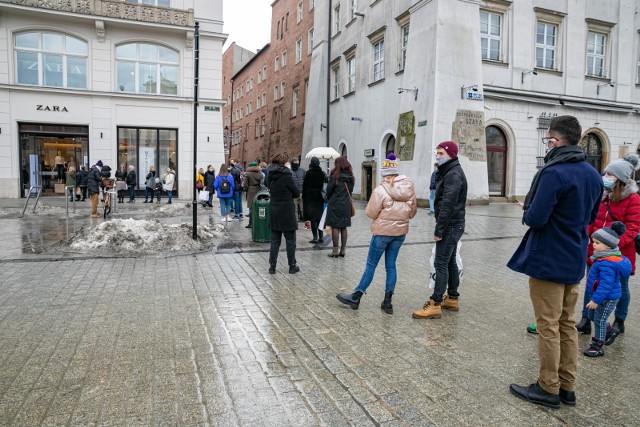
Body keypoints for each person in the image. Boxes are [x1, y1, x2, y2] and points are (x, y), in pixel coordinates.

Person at [507, 115, 603, 409]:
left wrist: (529, 209)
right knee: (566, 325)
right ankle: (567, 386)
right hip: (574, 257)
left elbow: (536, 218)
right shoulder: (591, 174)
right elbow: (590, 218)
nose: (547, 145)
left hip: (548, 258)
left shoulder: (554, 172)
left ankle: (548, 387)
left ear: (556, 140)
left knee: (547, 325)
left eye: (548, 139)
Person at [336, 153, 417, 314]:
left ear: (384, 172)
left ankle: (356, 296)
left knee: (371, 265)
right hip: (399, 233)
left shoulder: (380, 190)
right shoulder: (409, 187)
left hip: (382, 233)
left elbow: (371, 213)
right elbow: (412, 212)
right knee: (391, 266)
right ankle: (388, 302)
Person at [576, 155, 640, 345]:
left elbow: (633, 227)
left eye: (610, 174)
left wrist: (612, 244)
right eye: (606, 172)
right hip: (595, 250)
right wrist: (586, 236)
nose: (605, 176)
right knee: (591, 283)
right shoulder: (603, 195)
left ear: (620, 178)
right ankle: (587, 318)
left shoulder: (633, 199)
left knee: (620, 287)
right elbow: (592, 219)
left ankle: (619, 321)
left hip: (618, 255)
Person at [412, 141, 467, 319]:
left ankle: (435, 304)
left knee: (440, 263)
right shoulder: (450, 171)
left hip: (450, 225)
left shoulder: (453, 174)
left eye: (441, 153)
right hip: (454, 224)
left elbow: (447, 205)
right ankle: (452, 298)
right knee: (450, 261)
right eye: (437, 152)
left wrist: (439, 230)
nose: (438, 155)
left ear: (451, 154)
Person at [584, 222, 631, 357]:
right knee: (593, 316)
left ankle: (598, 346)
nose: (594, 245)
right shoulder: (603, 258)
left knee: (600, 320)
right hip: (601, 295)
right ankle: (609, 331)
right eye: (594, 241)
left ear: (608, 245)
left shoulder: (607, 263)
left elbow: (606, 285)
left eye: (597, 243)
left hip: (607, 298)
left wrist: (595, 300)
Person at [267, 153, 300, 274]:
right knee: (290, 240)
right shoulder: (287, 176)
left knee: (275, 241)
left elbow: (267, 186)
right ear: (283, 163)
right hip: (287, 211)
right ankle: (292, 266)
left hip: (274, 210)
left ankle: (272, 266)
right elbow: (296, 193)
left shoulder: (270, 175)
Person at [325, 156, 355, 258]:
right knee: (344, 227)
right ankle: (343, 251)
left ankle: (335, 251)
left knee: (335, 226)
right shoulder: (351, 177)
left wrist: (329, 198)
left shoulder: (335, 175)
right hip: (346, 204)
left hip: (335, 204)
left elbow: (329, 190)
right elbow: (350, 191)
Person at [302, 156, 328, 244]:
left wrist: (304, 197)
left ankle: (315, 237)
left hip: (310, 199)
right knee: (319, 218)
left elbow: (304, 187)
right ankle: (321, 237)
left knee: (313, 219)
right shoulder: (322, 173)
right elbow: (325, 184)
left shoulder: (308, 173)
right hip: (319, 198)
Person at [243, 161, 264, 228]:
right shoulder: (260, 173)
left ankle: (251, 223)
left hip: (251, 190)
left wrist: (245, 189)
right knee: (258, 206)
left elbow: (245, 184)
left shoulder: (247, 174)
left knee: (251, 207)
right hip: (259, 190)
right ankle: (258, 222)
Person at [291, 157, 305, 221]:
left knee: (302, 208)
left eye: (297, 162)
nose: (296, 163)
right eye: (295, 162)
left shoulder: (302, 170)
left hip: (301, 192)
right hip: (293, 193)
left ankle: (304, 218)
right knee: (295, 208)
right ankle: (296, 220)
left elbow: (305, 180)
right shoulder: (290, 171)